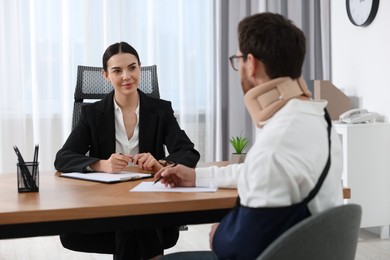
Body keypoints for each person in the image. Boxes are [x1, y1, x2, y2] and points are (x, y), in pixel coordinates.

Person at [156, 12, 343, 259]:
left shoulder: (278, 141)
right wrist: (195, 176)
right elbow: (257, 171)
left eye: (239, 59)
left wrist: (220, 233)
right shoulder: (320, 120)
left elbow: (240, 248)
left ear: (251, 63)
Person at [54, 41, 200, 260]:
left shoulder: (161, 110)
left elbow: (188, 152)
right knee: (134, 221)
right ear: (106, 75)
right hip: (107, 204)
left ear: (140, 68)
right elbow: (62, 158)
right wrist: (101, 164)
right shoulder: (92, 113)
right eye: (117, 71)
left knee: (134, 219)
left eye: (132, 67)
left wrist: (162, 164)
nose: (126, 76)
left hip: (150, 199)